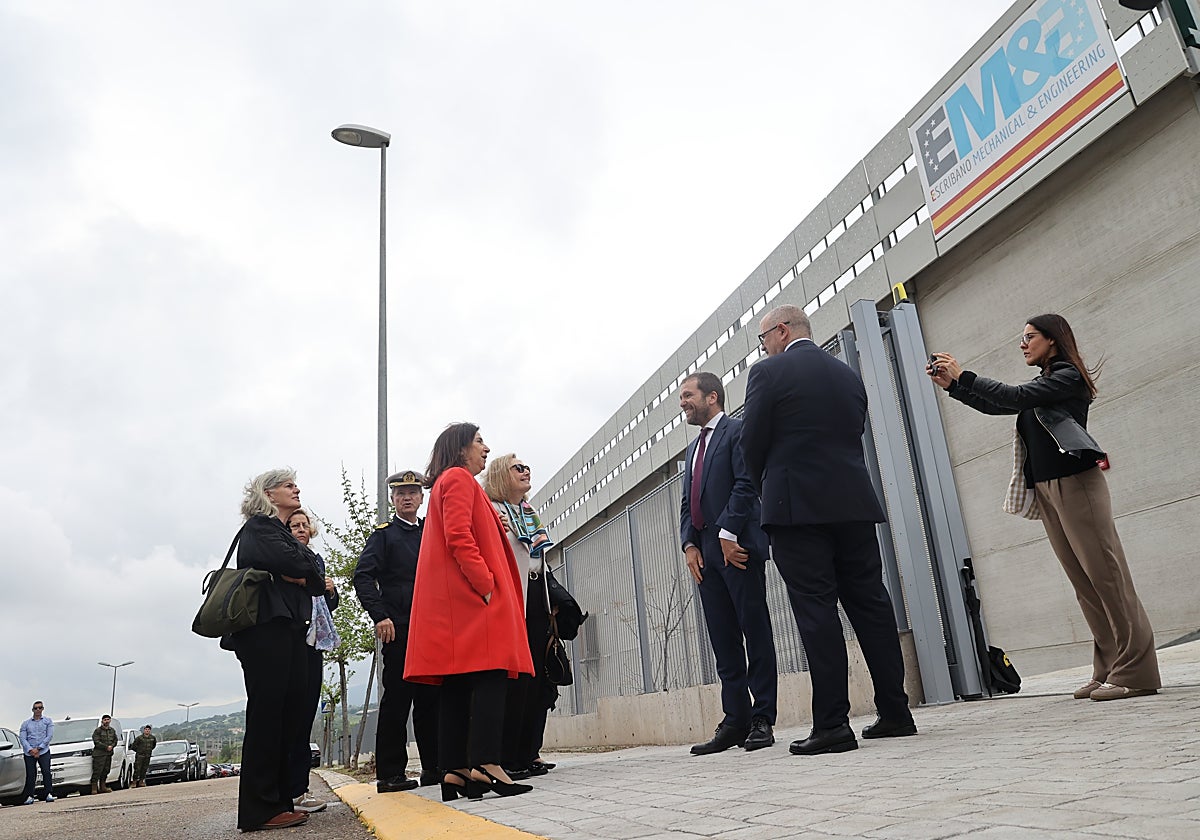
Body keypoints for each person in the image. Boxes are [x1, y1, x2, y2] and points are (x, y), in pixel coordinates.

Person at [929, 313, 1160, 701]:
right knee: (1085, 586)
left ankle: (1137, 673)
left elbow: (1014, 396)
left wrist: (964, 375)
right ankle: (1108, 669)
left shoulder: (1067, 376)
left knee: (1108, 578)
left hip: (1077, 485)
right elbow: (998, 406)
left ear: (1052, 339)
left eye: (1029, 337)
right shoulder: (1045, 385)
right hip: (1049, 491)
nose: (1023, 344)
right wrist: (954, 386)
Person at [741, 305, 915, 756]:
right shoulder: (847, 375)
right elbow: (853, 434)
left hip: (796, 508)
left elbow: (751, 444)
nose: (763, 347)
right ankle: (896, 712)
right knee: (872, 605)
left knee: (816, 611)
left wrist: (767, 488)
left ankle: (833, 724)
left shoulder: (767, 373)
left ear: (781, 331)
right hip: (853, 504)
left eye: (763, 338)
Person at [404, 423, 534, 801]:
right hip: (472, 598)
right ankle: (487, 763)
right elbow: (459, 535)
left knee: (458, 682)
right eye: (479, 441)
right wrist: (486, 583)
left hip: (458, 600)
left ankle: (456, 770)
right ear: (460, 448)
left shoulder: (447, 481)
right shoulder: (460, 479)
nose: (486, 448)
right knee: (492, 674)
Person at [678, 372, 778, 755]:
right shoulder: (692, 450)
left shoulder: (737, 432)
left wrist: (727, 532)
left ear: (712, 397)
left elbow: (746, 483)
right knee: (723, 638)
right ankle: (735, 719)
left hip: (735, 546)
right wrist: (689, 544)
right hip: (705, 555)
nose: (683, 403)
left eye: (688, 395)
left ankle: (762, 718)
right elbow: (687, 502)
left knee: (755, 630)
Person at [230, 468, 326, 832]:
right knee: (268, 717)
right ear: (269, 494)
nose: (296, 489)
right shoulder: (259, 528)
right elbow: (301, 565)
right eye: (288, 485)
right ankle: (259, 809)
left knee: (289, 716)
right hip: (264, 634)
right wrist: (298, 571)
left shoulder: (280, 534)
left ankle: (281, 801)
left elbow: (313, 575)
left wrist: (300, 572)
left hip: (288, 632)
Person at [353, 470, 441, 794]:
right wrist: (380, 616)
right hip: (399, 628)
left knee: (431, 699)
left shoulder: (431, 532)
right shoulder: (384, 536)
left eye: (413, 492)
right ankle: (390, 774)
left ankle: (434, 767)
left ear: (421, 498)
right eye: (401, 493)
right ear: (392, 499)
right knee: (397, 701)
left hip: (431, 628)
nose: (407, 498)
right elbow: (363, 577)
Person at [483, 454, 558, 777]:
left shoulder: (528, 512)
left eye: (527, 467)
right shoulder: (493, 511)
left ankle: (530, 751)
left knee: (538, 677)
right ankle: (507, 756)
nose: (526, 471)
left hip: (537, 595)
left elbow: (537, 559)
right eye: (518, 468)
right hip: (511, 598)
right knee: (515, 679)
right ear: (501, 475)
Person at [285, 507, 339, 812]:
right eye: (294, 525)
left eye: (304, 525)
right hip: (292, 642)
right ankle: (288, 790)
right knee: (291, 718)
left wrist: (331, 591)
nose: (301, 529)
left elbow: (326, 607)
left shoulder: (316, 561)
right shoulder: (283, 560)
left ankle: (300, 790)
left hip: (313, 645)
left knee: (305, 716)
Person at [19, 701, 54, 804]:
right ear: (32, 710)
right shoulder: (26, 723)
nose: (38, 710)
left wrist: (39, 748)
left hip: (43, 751)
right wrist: (31, 750)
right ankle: (30, 796)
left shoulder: (48, 721)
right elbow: (23, 738)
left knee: (46, 772)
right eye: (36, 708)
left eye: (40, 708)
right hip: (29, 753)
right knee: (31, 774)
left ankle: (48, 793)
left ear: (43, 709)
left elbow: (49, 736)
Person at [90, 714, 118, 794]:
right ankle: (94, 788)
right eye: (105, 720)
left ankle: (103, 787)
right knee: (97, 771)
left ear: (110, 721)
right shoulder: (98, 731)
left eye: (108, 719)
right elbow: (96, 741)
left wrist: (112, 746)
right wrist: (106, 747)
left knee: (106, 771)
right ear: (102, 721)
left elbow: (115, 740)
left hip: (108, 754)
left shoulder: (112, 730)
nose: (106, 721)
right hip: (99, 755)